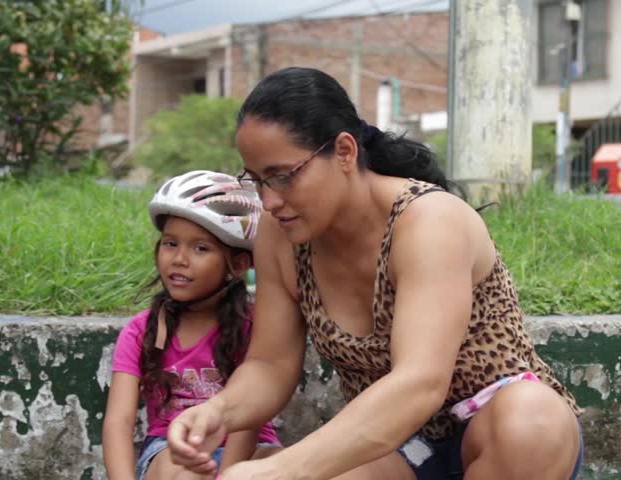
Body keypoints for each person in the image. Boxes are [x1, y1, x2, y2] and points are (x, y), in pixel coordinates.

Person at [166, 67, 583, 480]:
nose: (269, 200)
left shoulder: (428, 221)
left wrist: (285, 468)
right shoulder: (281, 237)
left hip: (506, 442)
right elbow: (270, 364)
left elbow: (419, 382)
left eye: (283, 176)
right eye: (257, 181)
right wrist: (218, 411)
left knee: (531, 419)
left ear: (345, 152)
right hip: (397, 448)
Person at [102, 171, 281, 480]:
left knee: (285, 467)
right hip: (174, 448)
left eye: (200, 248)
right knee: (187, 474)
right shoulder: (141, 331)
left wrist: (228, 474)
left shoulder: (253, 326)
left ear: (238, 264)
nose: (180, 259)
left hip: (251, 446)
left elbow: (251, 416)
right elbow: (119, 420)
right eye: (171, 243)